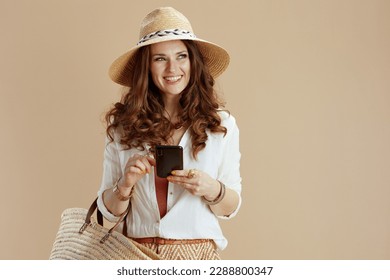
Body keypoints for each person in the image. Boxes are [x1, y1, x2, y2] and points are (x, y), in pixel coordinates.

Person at [97, 7, 242, 260]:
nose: (172, 68)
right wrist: (125, 185)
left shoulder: (221, 125)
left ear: (192, 61)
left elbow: (230, 207)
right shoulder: (124, 126)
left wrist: (212, 188)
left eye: (181, 56)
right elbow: (106, 216)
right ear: (147, 67)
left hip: (198, 259)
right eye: (160, 58)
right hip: (134, 256)